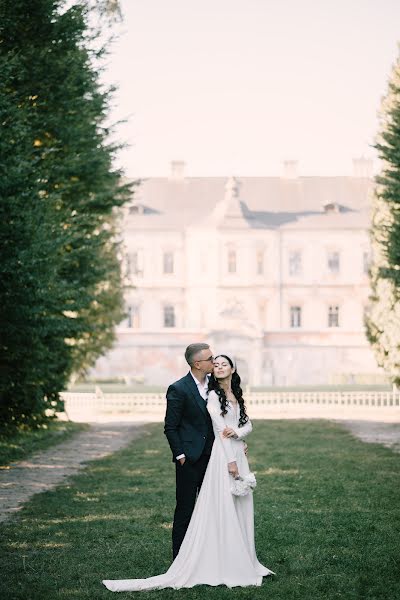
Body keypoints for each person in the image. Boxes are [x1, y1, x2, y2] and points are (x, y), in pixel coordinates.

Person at [102, 352, 275, 592]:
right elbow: (177, 426)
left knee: (221, 507)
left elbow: (239, 424)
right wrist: (183, 455)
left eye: (221, 362)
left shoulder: (222, 390)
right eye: (211, 361)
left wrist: (240, 439)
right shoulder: (185, 389)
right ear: (198, 363)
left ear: (233, 369)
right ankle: (183, 560)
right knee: (188, 508)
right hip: (200, 458)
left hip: (218, 454)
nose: (215, 364)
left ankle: (226, 555)